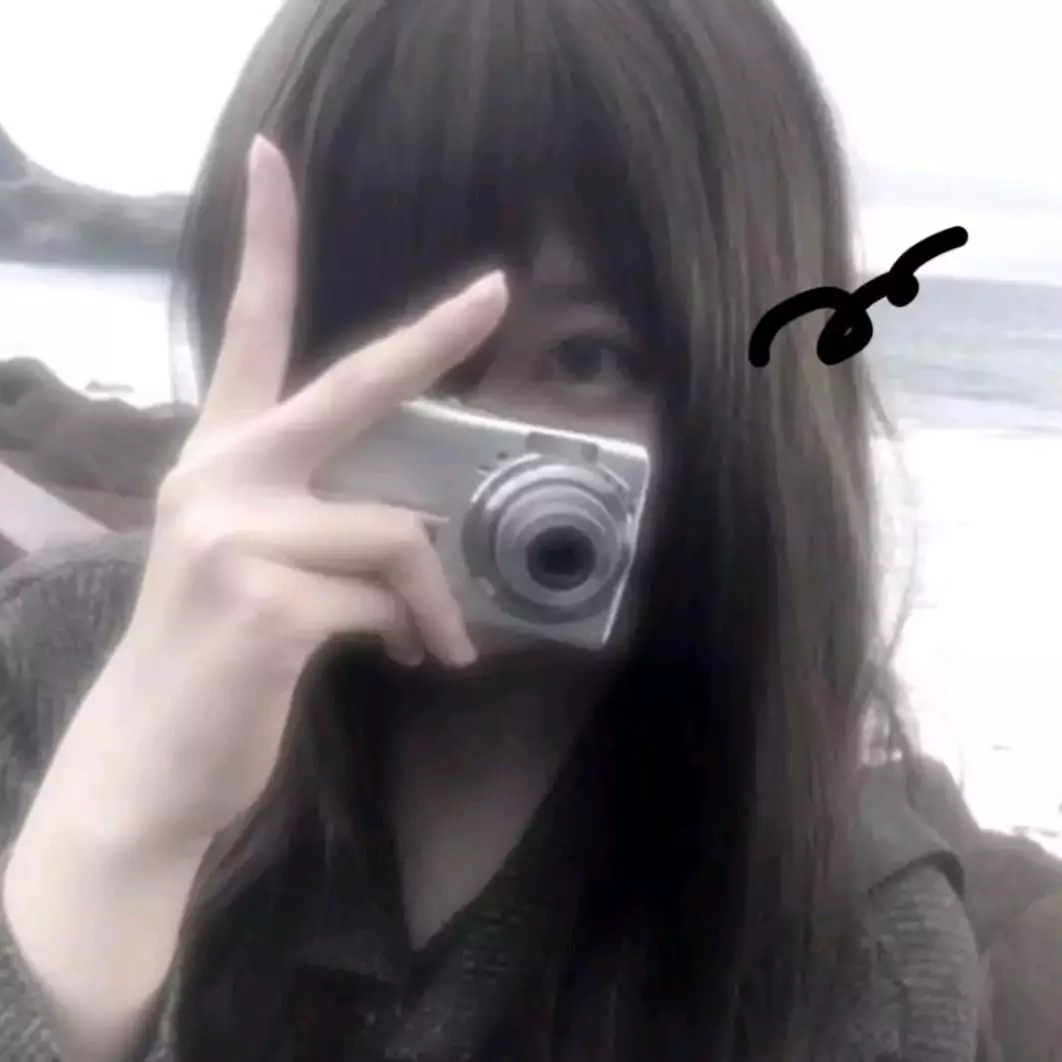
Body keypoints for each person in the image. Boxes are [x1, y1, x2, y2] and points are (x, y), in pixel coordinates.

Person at [0, 1, 983, 1060]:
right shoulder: (53, 659)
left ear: (747, 406)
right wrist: (119, 837)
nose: (475, 462)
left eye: (586, 357)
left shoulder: (857, 952)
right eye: (376, 343)